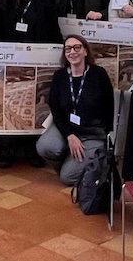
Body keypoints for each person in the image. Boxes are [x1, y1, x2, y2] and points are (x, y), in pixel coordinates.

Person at [35, 35, 114, 185]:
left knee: (68, 178)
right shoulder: (60, 76)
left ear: (85, 51)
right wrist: (69, 135)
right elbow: (56, 110)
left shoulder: (99, 74)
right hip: (67, 127)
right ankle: (72, 161)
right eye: (68, 49)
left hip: (92, 133)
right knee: (44, 147)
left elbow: (110, 106)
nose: (72, 52)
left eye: (77, 47)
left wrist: (108, 137)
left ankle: (91, 159)